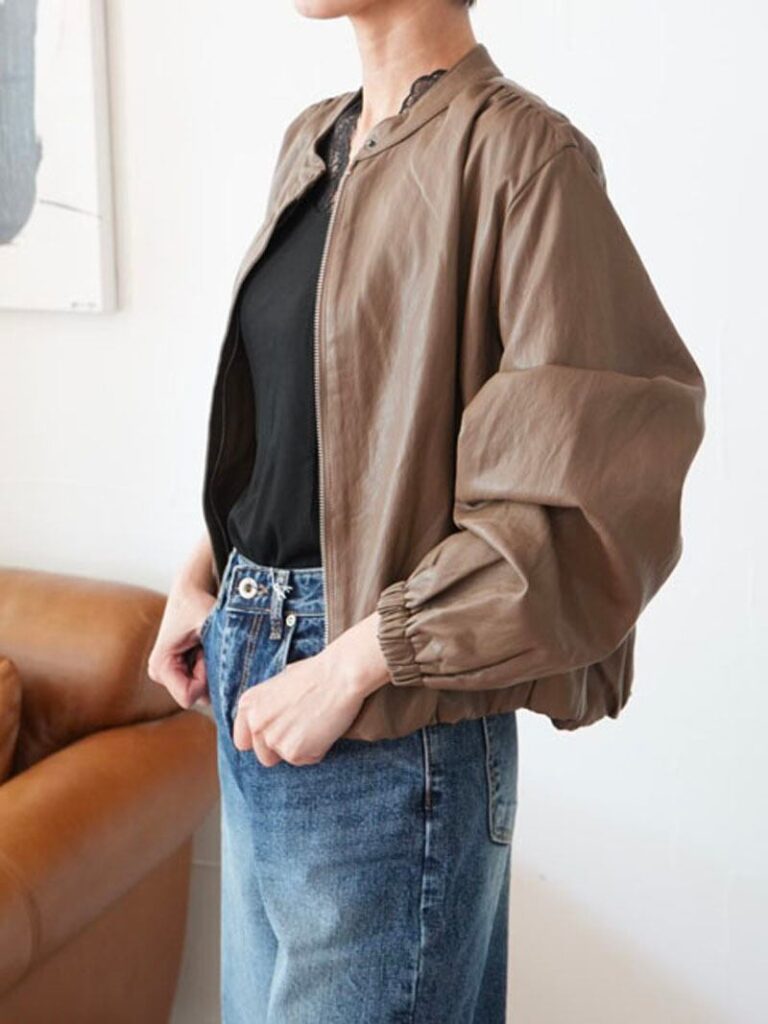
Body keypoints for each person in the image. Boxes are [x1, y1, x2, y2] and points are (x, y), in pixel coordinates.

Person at [147, 1, 706, 1021]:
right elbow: (313, 424)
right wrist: (210, 572)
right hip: (255, 672)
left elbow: (594, 484)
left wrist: (355, 662)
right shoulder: (313, 140)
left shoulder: (524, 158)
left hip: (389, 716)